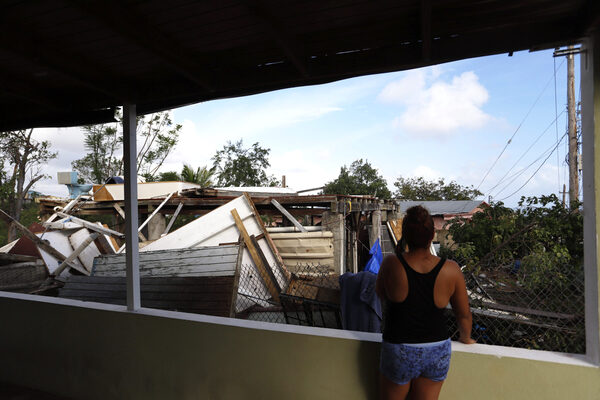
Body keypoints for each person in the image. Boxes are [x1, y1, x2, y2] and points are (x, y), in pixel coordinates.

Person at [375, 205, 475, 400]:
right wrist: (466, 338)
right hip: (436, 349)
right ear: (432, 236)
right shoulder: (451, 269)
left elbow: (380, 293)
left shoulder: (391, 264)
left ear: (405, 235)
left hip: (399, 347)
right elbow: (463, 314)